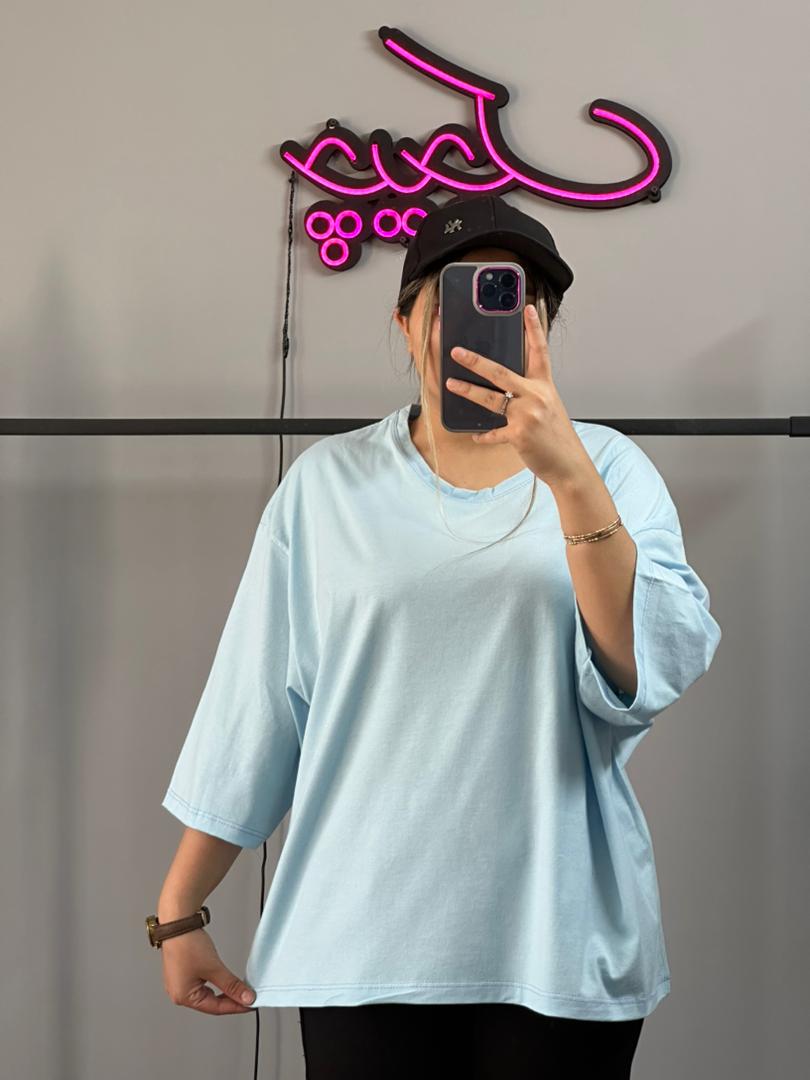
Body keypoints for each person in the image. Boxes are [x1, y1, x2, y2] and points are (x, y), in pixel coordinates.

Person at [155, 195, 722, 1079]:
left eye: (517, 299)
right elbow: (260, 704)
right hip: (360, 942)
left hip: (558, 936)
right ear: (408, 321)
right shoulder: (328, 485)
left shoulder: (610, 468)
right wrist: (182, 908)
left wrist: (570, 477)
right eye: (457, 297)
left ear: (542, 327)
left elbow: (642, 665)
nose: (484, 321)